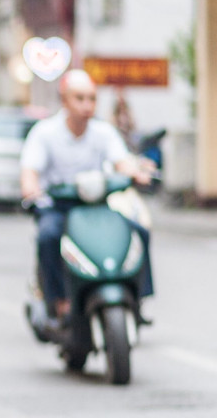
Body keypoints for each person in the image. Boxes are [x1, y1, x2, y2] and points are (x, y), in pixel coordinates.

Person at [19, 70, 155, 323]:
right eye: (79, 98)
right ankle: (59, 301)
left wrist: (136, 174)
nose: (87, 106)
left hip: (97, 206)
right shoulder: (44, 133)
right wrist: (30, 188)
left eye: (92, 99)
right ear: (64, 100)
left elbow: (121, 162)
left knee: (138, 232)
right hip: (58, 208)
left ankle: (138, 298)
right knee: (48, 237)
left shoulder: (103, 132)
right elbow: (30, 172)